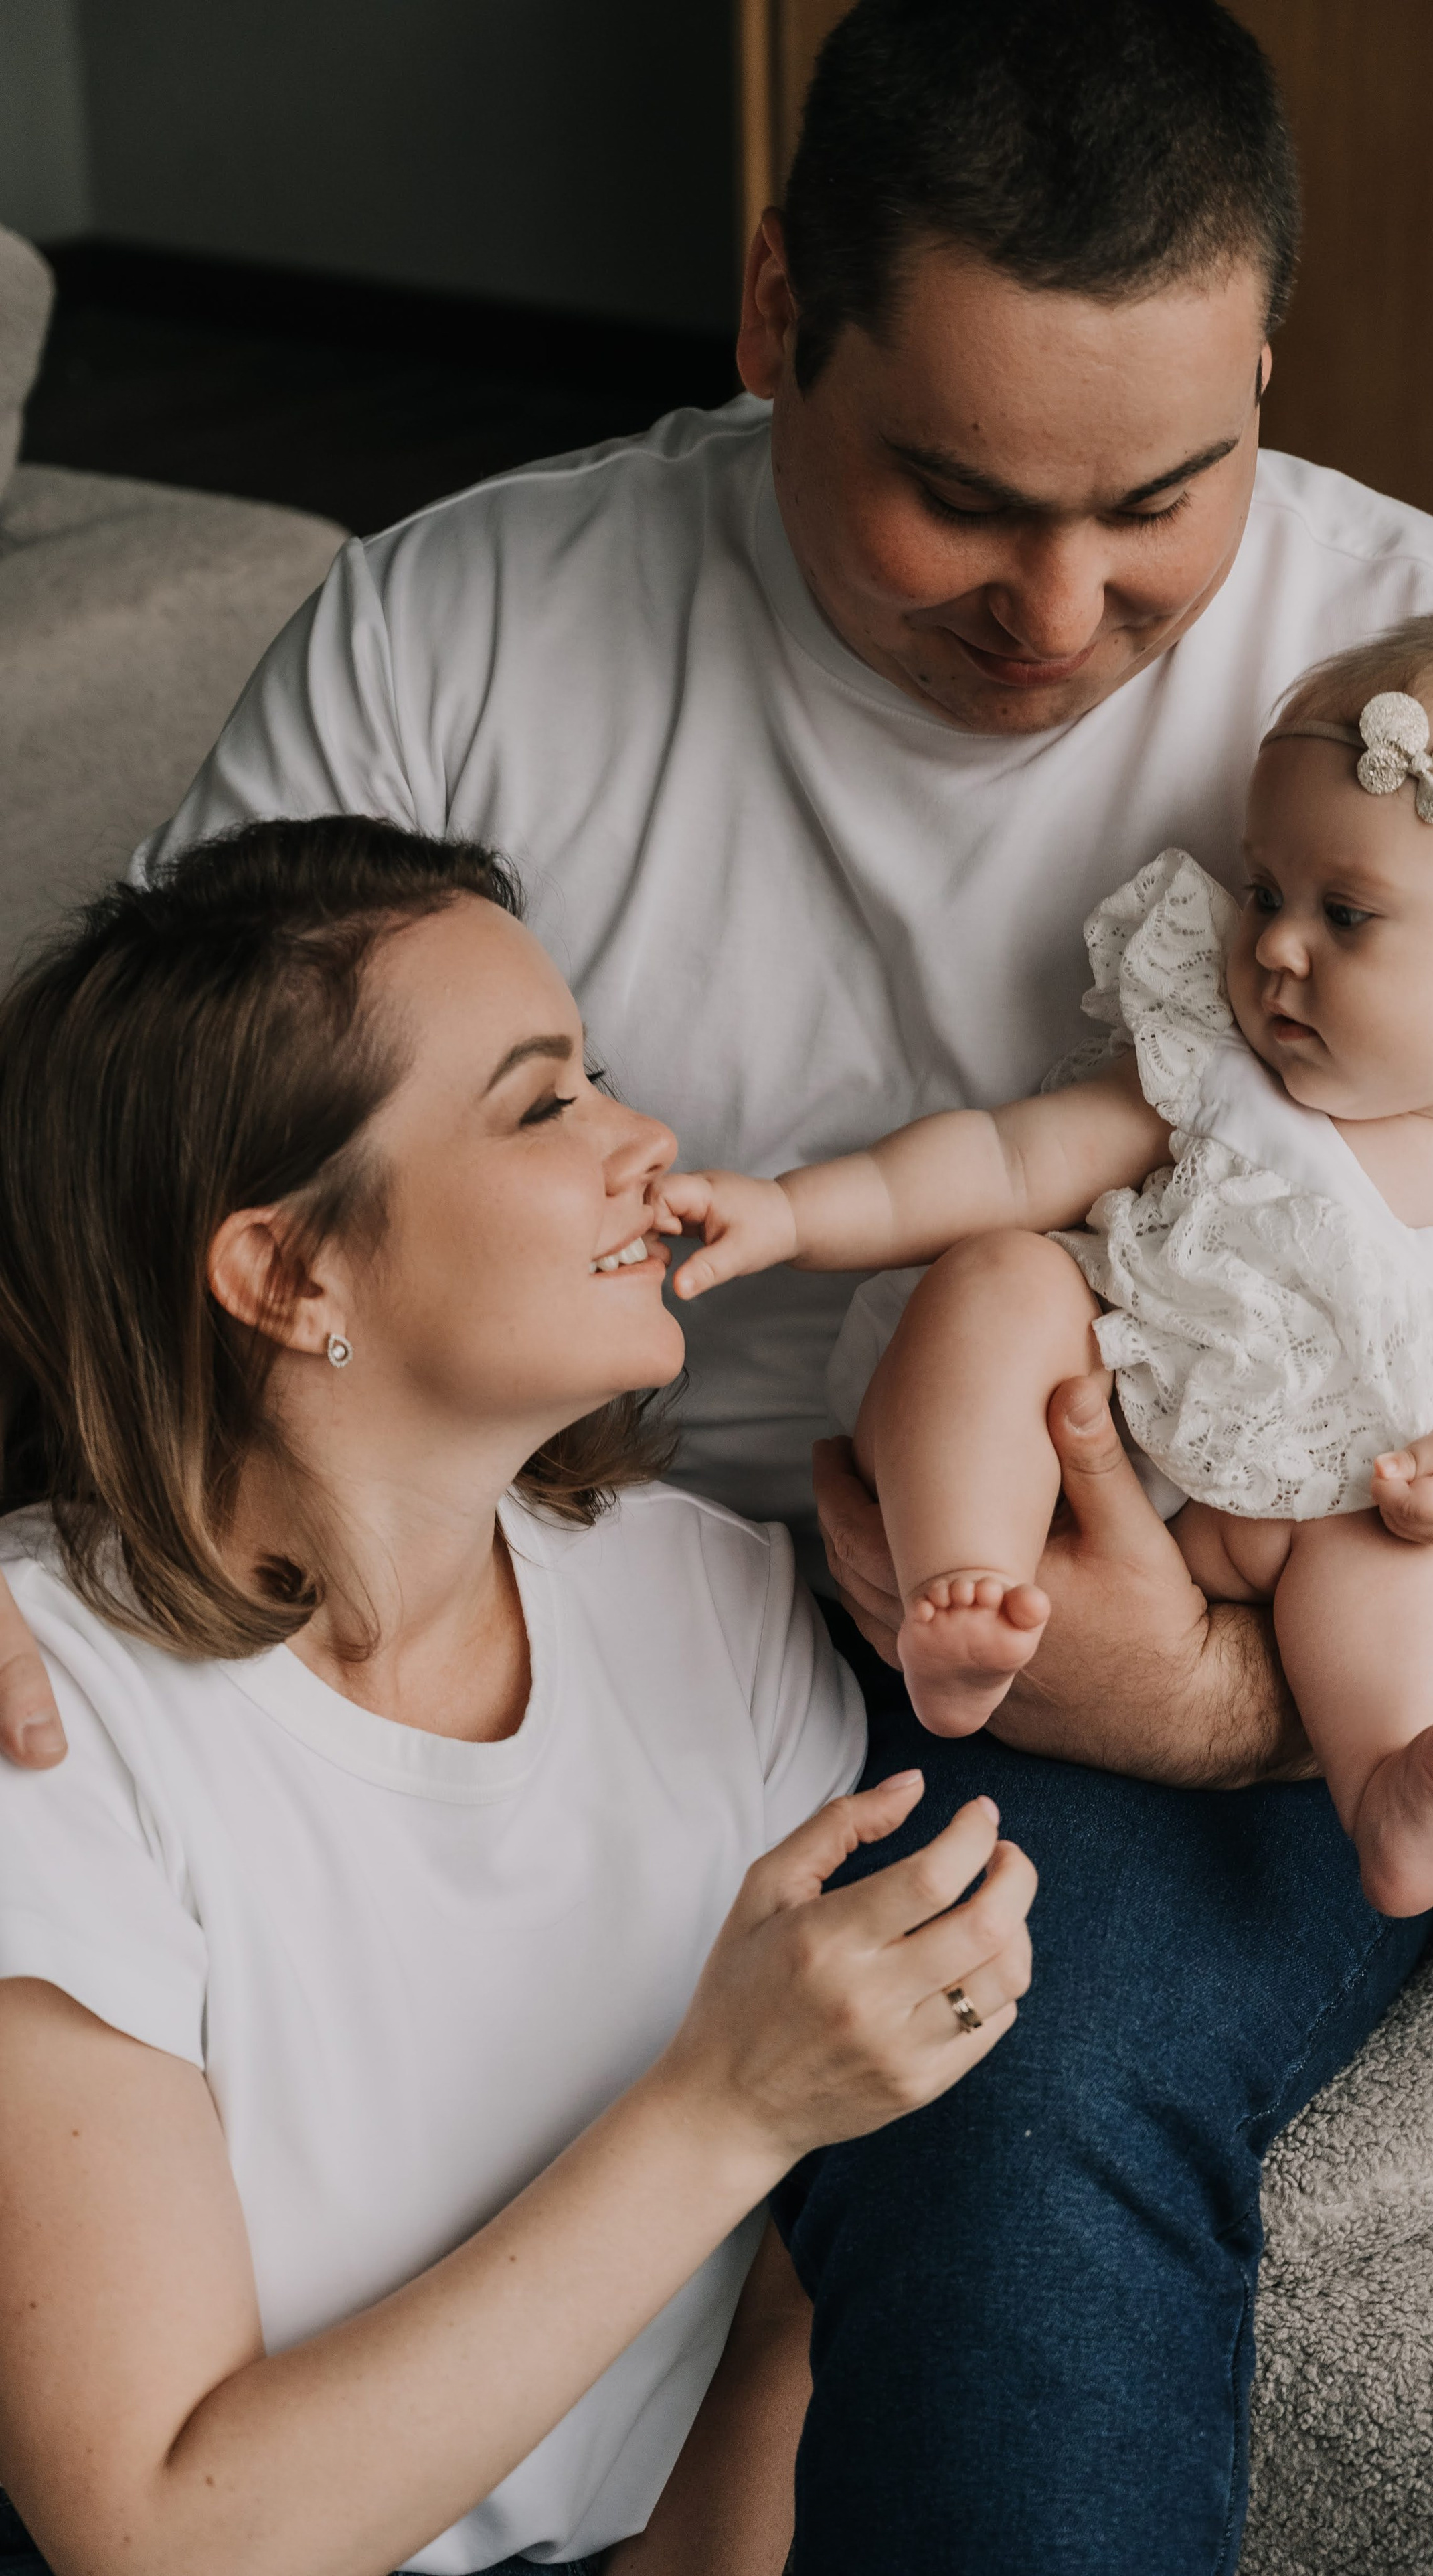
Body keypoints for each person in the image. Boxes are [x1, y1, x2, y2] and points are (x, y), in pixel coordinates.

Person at [1, 3, 1433, 2566]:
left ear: (1264, 365)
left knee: (1002, 2079)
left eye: (1162, 500)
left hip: (1205, 1619)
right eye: (960, 496)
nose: (1063, 608)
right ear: (778, 310)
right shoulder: (457, 633)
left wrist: (1226, 1694)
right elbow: (157, 1154)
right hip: (606, 1571)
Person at [0, 818, 1035, 2576]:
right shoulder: (53, 1718)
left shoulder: (711, 1608)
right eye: (546, 1103)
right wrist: (727, 2105)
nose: (648, 1143)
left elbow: (786, 2305)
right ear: (288, 1274)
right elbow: (164, 2536)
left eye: (599, 1077)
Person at [658, 609, 1433, 1914]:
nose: (1273, 945)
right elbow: (1006, 1158)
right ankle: (964, 1593)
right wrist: (793, 1212)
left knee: (1389, 1552)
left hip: (1297, 1503)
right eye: (1264, 891)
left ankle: (1390, 1787)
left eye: (1344, 914)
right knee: (1001, 1277)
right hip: (1072, 1425)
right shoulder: (1222, 1059)